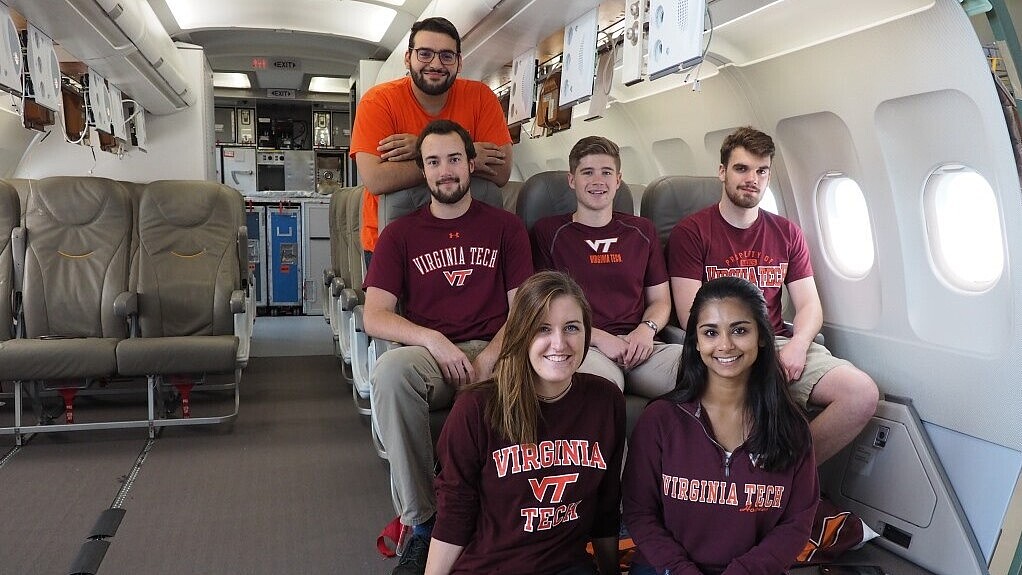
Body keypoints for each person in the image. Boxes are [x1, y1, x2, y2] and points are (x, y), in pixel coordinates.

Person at [363, 119, 532, 575]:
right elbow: (374, 315)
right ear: (423, 170)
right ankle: (422, 525)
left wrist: (490, 359)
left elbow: (524, 311)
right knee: (390, 373)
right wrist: (433, 340)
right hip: (433, 354)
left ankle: (515, 522)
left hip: (498, 347)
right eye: (433, 162)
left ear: (471, 164)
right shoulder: (399, 234)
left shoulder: (507, 227)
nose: (445, 171)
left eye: (454, 159)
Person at [668, 126, 879, 463]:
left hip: (777, 342)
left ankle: (787, 476)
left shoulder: (786, 233)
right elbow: (690, 314)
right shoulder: (692, 233)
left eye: (761, 171)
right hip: (723, 344)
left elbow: (809, 305)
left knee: (861, 394)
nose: (752, 178)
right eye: (741, 168)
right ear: (722, 172)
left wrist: (797, 347)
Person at [426, 270, 625, 575]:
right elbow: (454, 513)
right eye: (542, 329)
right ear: (521, 334)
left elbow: (606, 507)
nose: (559, 343)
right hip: (491, 567)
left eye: (571, 327)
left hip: (567, 567)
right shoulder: (476, 408)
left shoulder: (606, 400)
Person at [623, 276, 819, 575]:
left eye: (739, 330)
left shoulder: (791, 428)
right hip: (667, 570)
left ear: (761, 337)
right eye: (711, 332)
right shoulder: (660, 420)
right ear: (697, 342)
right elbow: (639, 512)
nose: (725, 345)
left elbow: (796, 524)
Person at [350, 16, 512, 264]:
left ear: (459, 62)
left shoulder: (481, 98)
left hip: (471, 239)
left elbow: (501, 172)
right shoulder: (379, 102)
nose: (435, 64)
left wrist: (418, 148)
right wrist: (464, 156)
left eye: (447, 56)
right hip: (391, 241)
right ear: (408, 58)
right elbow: (376, 179)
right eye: (425, 54)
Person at [531, 136, 681, 398]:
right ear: (572, 180)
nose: (598, 181)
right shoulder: (550, 232)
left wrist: (646, 330)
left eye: (606, 172)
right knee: (602, 392)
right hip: (583, 345)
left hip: (641, 346)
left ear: (618, 180)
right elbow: (543, 306)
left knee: (704, 370)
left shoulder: (642, 231)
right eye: (587, 172)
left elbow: (660, 300)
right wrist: (599, 338)